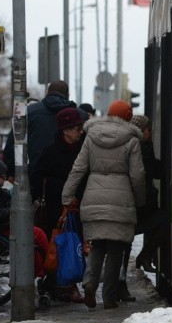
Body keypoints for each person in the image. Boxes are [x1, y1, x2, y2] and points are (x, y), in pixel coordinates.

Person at [62, 99, 146, 310]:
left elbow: (78, 168)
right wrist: (140, 200)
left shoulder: (91, 136)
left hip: (93, 197)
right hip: (121, 199)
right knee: (116, 249)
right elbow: (137, 176)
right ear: (128, 117)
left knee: (98, 244)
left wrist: (67, 195)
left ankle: (90, 282)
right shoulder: (132, 140)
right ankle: (108, 297)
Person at [29, 107, 87, 303]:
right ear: (65, 129)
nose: (80, 131)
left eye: (81, 127)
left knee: (75, 246)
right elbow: (37, 180)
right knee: (58, 246)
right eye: (76, 127)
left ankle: (68, 285)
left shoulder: (83, 150)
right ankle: (55, 284)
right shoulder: (51, 152)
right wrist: (62, 190)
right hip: (56, 208)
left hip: (78, 207)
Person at [122, 114, 168, 287]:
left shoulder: (147, 147)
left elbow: (153, 171)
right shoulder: (129, 148)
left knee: (162, 221)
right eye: (149, 130)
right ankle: (120, 283)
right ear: (141, 132)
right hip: (130, 204)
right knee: (125, 243)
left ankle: (145, 256)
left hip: (144, 205)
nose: (151, 134)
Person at [3, 80, 77, 173]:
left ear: (47, 93)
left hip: (35, 174)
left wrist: (12, 170)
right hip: (68, 175)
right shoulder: (77, 115)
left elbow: (12, 143)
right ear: (68, 95)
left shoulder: (29, 112)